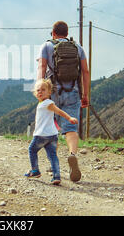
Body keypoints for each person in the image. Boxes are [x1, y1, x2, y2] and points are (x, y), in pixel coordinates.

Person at [36, 21, 90, 182]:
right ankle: (72, 154)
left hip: (52, 92)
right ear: (66, 33)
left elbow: (41, 68)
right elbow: (85, 71)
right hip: (73, 91)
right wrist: (85, 95)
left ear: (53, 33)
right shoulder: (77, 47)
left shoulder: (46, 46)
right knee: (70, 127)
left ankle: (54, 167)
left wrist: (40, 91)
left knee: (51, 129)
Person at [24, 79, 78, 185]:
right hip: (52, 135)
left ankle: (35, 170)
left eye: (43, 90)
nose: (40, 92)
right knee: (53, 155)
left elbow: (59, 111)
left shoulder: (47, 103)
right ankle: (56, 176)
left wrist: (69, 118)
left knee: (32, 150)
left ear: (49, 92)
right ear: (35, 93)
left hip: (41, 135)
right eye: (38, 90)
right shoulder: (43, 103)